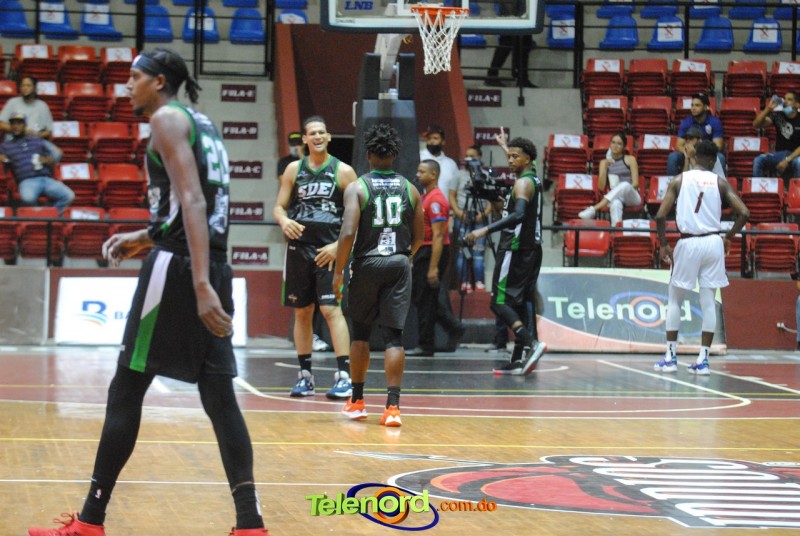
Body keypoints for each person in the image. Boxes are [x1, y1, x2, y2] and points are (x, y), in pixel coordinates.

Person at [28, 48, 269, 536]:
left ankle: (90, 521)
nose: (126, 85)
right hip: (213, 261)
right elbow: (196, 204)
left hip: (180, 270)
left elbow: (193, 200)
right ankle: (250, 524)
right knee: (219, 396)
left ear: (159, 82)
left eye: (134, 77)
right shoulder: (203, 123)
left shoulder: (165, 119)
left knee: (127, 387)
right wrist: (146, 236)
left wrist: (197, 283)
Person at [333, 123, 424, 426]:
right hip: (399, 263)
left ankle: (357, 401)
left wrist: (338, 271)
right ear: (395, 156)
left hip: (367, 264)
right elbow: (420, 236)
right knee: (393, 337)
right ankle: (393, 407)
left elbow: (347, 233)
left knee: (360, 333)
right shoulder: (410, 189)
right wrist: (405, 257)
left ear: (368, 154)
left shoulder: (357, 188)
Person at [273, 115, 358, 399]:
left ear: (329, 137)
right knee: (302, 311)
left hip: (329, 251)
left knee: (331, 310)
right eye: (313, 133)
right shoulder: (293, 169)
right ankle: (305, 377)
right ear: (305, 139)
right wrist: (284, 221)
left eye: (322, 132)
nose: (318, 136)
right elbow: (279, 207)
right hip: (299, 249)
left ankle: (344, 377)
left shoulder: (344, 171)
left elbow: (358, 215)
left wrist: (338, 246)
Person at [654, 140, 749, 375]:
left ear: (694, 156)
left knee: (674, 300)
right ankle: (704, 360)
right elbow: (744, 212)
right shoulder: (720, 182)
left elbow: (660, 215)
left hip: (688, 242)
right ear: (714, 161)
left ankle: (670, 357)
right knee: (708, 302)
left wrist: (664, 244)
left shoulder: (679, 180)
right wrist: (728, 237)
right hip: (713, 242)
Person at [465, 137, 547, 375]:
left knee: (499, 302)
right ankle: (518, 359)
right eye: (508, 156)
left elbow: (518, 215)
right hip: (532, 249)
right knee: (518, 303)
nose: (510, 160)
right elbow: (522, 162)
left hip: (515, 248)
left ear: (528, 159)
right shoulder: (532, 178)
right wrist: (506, 146)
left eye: (514, 157)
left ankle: (531, 343)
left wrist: (483, 230)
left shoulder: (522, 184)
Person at [410, 159, 464, 356]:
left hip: (432, 251)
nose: (418, 175)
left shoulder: (436, 200)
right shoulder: (425, 197)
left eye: (422, 171)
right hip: (423, 251)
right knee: (423, 297)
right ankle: (453, 327)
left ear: (433, 175)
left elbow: (439, 235)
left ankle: (426, 344)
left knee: (425, 299)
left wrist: (433, 267)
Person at [0, 112, 73, 214]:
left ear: (25, 125)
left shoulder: (37, 141)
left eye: (19, 123)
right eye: (13, 124)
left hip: (46, 178)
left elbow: (55, 155)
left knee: (68, 195)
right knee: (28, 198)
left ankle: (51, 216)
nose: (16, 126)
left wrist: (47, 160)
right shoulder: (6, 146)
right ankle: (39, 216)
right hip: (27, 180)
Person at [451, 144, 491, 293]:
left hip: (480, 217)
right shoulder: (458, 175)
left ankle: (479, 283)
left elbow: (492, 199)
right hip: (462, 215)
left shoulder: (485, 176)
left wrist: (484, 214)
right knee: (462, 251)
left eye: (472, 156)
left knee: (478, 252)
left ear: (479, 158)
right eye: (467, 156)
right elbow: (451, 195)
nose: (469, 159)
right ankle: (464, 283)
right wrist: (458, 213)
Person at [578, 131, 640, 226]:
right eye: (613, 142)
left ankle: (594, 209)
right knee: (615, 204)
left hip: (631, 195)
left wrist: (623, 188)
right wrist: (604, 168)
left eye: (619, 144)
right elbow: (601, 187)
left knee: (624, 185)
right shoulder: (604, 162)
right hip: (616, 196)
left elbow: (635, 183)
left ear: (624, 147)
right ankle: (616, 231)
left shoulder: (630, 159)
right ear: (610, 144)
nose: (615, 146)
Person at [667, 92, 725, 176]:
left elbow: (718, 146)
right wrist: (689, 153)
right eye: (692, 105)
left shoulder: (715, 122)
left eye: (697, 105)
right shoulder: (686, 122)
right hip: (689, 151)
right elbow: (678, 145)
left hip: (707, 153)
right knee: (673, 157)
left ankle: (718, 183)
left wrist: (699, 153)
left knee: (720, 157)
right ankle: (673, 182)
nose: (693, 108)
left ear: (705, 107)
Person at [485, 0, 536, 88]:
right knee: (508, 42)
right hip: (515, 14)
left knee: (521, 42)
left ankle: (521, 78)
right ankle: (493, 75)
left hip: (520, 13)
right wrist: (512, 16)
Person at [752, 91, 800, 180]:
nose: (785, 101)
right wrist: (768, 109)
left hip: (795, 155)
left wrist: (787, 160)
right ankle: (758, 188)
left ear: (797, 105)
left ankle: (797, 188)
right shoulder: (778, 115)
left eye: (789, 99)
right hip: (779, 154)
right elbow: (756, 125)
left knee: (799, 162)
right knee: (758, 160)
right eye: (784, 99)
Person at [419, 124, 459, 197]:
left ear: (443, 141)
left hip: (444, 203)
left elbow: (455, 189)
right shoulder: (419, 158)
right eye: (429, 138)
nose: (432, 141)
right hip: (424, 203)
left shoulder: (451, 164)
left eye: (435, 138)